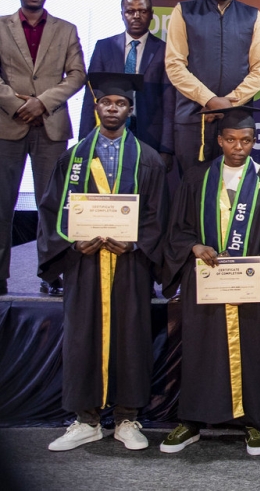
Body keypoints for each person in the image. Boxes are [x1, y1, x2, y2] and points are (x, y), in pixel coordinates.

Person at [38, 73, 167, 452]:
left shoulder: (148, 158)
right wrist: (72, 242)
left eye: (120, 103)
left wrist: (136, 243)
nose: (113, 108)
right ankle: (85, 420)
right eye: (106, 102)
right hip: (85, 264)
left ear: (131, 109)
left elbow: (158, 214)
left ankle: (128, 418)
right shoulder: (73, 157)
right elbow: (51, 211)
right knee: (83, 337)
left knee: (130, 337)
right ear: (96, 108)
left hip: (129, 264)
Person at [158, 107, 260, 455]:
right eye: (231, 140)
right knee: (199, 351)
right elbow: (178, 229)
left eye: (245, 140)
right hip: (206, 281)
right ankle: (192, 421)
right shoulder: (197, 178)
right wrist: (195, 247)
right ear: (219, 140)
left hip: (249, 285)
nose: (238, 146)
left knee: (252, 353)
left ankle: (254, 424)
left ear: (254, 141)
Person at [0, 0, 87, 296]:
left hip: (50, 126)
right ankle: (0, 276)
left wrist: (43, 102)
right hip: (7, 124)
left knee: (51, 204)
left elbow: (77, 74)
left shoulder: (66, 29)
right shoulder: (1, 27)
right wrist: (16, 104)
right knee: (1, 203)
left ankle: (50, 273)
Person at [164, 0, 260, 171]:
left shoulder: (253, 16)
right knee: (193, 192)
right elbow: (174, 64)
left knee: (232, 193)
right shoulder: (184, 11)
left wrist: (228, 103)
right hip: (194, 120)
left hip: (236, 124)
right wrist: (210, 100)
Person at [81, 0, 176, 170]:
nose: (136, 16)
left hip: (150, 135)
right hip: (109, 130)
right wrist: (84, 140)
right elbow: (91, 95)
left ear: (151, 15)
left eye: (142, 11)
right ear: (122, 15)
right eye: (130, 11)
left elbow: (169, 102)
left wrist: (167, 149)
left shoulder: (165, 50)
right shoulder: (104, 47)